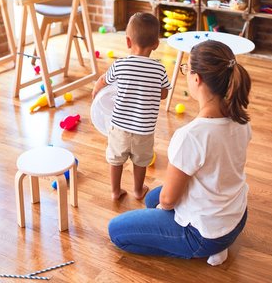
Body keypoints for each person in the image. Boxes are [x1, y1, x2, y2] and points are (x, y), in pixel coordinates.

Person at [108, 40, 252, 266]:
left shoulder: (191, 135)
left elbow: (168, 200)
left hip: (205, 234)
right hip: (236, 217)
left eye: (186, 69)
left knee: (116, 231)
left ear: (197, 79)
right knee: (151, 198)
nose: (185, 73)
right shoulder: (241, 120)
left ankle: (202, 249)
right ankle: (216, 242)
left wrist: (164, 209)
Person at [92, 12, 171, 200]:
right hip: (144, 129)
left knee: (116, 159)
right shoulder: (159, 69)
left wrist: (96, 88)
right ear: (156, 44)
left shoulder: (120, 64)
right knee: (141, 161)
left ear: (128, 42)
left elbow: (105, 80)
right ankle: (137, 190)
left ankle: (115, 191)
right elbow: (164, 94)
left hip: (119, 125)